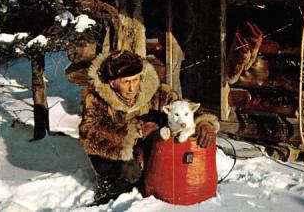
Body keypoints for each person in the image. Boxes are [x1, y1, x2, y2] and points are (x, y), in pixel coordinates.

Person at [79, 50, 220, 205]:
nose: (132, 88)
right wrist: (135, 132)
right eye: (126, 82)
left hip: (143, 152)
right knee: (127, 176)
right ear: (113, 83)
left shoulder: (154, 92)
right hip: (112, 154)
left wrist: (203, 122)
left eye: (136, 80)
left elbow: (180, 107)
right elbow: (90, 130)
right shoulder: (96, 99)